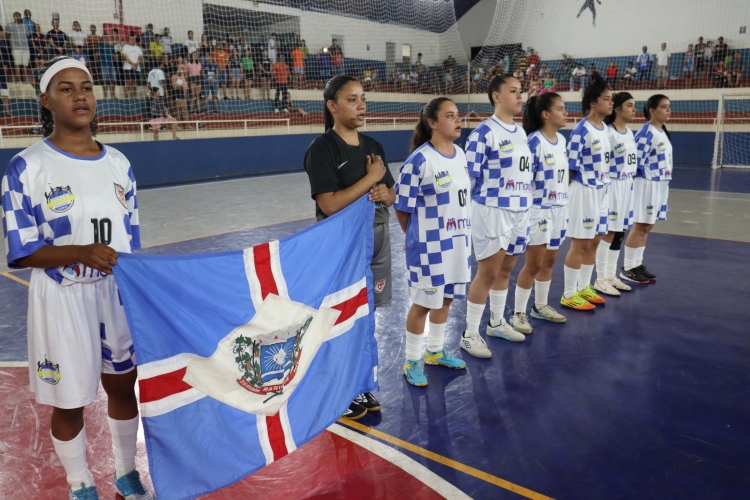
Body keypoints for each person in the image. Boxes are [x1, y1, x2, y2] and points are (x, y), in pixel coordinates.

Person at [0, 56, 153, 500]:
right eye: (65, 89)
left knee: (124, 386)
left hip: (116, 293)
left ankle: (127, 474)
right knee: (69, 401)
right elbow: (22, 251)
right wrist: (80, 252)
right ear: (46, 101)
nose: (79, 95)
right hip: (62, 296)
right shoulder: (26, 167)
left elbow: (132, 239)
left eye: (85, 86)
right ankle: (79, 485)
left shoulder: (120, 163)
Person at [303, 75, 395, 419]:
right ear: (332, 106)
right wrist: (372, 179)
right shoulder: (322, 149)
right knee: (342, 314)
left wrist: (387, 192)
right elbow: (329, 204)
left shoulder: (372, 144)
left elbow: (391, 191)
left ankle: (359, 383)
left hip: (378, 237)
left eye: (363, 99)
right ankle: (339, 387)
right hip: (343, 243)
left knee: (367, 312)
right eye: (352, 99)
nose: (361, 106)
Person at [394, 97, 476, 385]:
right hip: (429, 248)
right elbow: (402, 206)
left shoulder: (461, 154)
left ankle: (435, 352)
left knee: (447, 298)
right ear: (432, 123)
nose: (458, 121)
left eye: (458, 115)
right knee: (423, 304)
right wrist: (416, 238)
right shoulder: (419, 160)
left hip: (458, 243)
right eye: (450, 116)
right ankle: (412, 360)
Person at [462, 73, 532, 347]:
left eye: (520, 91)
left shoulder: (521, 131)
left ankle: (496, 323)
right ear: (496, 96)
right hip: (492, 210)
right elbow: (468, 178)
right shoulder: (483, 133)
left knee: (505, 272)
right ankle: (469, 333)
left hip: (520, 209)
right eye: (513, 91)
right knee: (488, 273)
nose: (519, 96)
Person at [510, 93, 569, 331]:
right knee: (534, 263)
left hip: (559, 208)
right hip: (538, 209)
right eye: (560, 109)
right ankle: (518, 313)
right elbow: (523, 178)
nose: (565, 113)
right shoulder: (533, 142)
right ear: (546, 114)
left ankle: (541, 306)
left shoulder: (562, 141)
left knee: (550, 260)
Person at [560, 72, 613, 311]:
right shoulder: (582, 130)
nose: (611, 102)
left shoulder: (604, 129)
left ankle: (584, 287)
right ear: (593, 103)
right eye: (607, 98)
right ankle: (568, 293)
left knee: (595, 240)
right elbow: (570, 168)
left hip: (602, 189)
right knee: (580, 243)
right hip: (584, 190)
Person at [621, 95, 671, 284]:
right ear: (652, 110)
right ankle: (628, 268)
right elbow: (636, 163)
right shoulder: (646, 132)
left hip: (660, 183)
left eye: (669, 107)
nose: (668, 110)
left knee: (648, 226)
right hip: (646, 183)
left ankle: (637, 264)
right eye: (664, 107)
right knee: (640, 225)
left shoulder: (661, 132)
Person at [594, 92, 638, 295]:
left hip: (626, 186)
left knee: (619, 233)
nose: (634, 109)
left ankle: (611, 275)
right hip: (612, 185)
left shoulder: (629, 132)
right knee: (608, 233)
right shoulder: (608, 133)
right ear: (617, 109)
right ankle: (600, 278)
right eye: (629, 105)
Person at [6, 12, 30, 82]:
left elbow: (27, 36)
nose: (18, 18)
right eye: (16, 16)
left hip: (25, 48)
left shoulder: (25, 26)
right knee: (17, 64)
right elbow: (7, 36)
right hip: (15, 48)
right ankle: (18, 81)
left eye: (19, 16)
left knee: (25, 65)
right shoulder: (10, 25)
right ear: (14, 17)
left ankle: (24, 81)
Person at [121, 33, 142, 100]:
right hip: (127, 67)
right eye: (131, 38)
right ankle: (126, 98)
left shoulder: (138, 48)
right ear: (128, 39)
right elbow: (124, 56)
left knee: (134, 83)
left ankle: (133, 97)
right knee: (127, 82)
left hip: (136, 68)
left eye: (133, 38)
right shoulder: (125, 47)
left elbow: (140, 57)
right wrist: (133, 64)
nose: (132, 40)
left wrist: (137, 64)